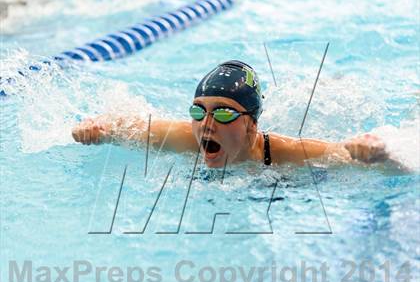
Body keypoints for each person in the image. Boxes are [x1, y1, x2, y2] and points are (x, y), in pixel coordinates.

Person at [72, 60, 390, 168]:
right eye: (199, 111)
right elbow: (126, 124)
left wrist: (369, 151)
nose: (206, 123)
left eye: (223, 114)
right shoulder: (187, 137)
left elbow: (345, 154)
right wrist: (97, 128)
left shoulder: (283, 153)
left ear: (252, 126)